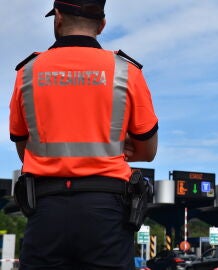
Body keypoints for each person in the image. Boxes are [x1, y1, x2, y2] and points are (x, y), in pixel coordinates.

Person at [9, 0, 158, 269]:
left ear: (57, 18)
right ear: (102, 24)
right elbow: (147, 152)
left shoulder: (27, 72)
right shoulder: (127, 71)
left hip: (46, 210)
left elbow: (24, 150)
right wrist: (113, 143)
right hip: (107, 212)